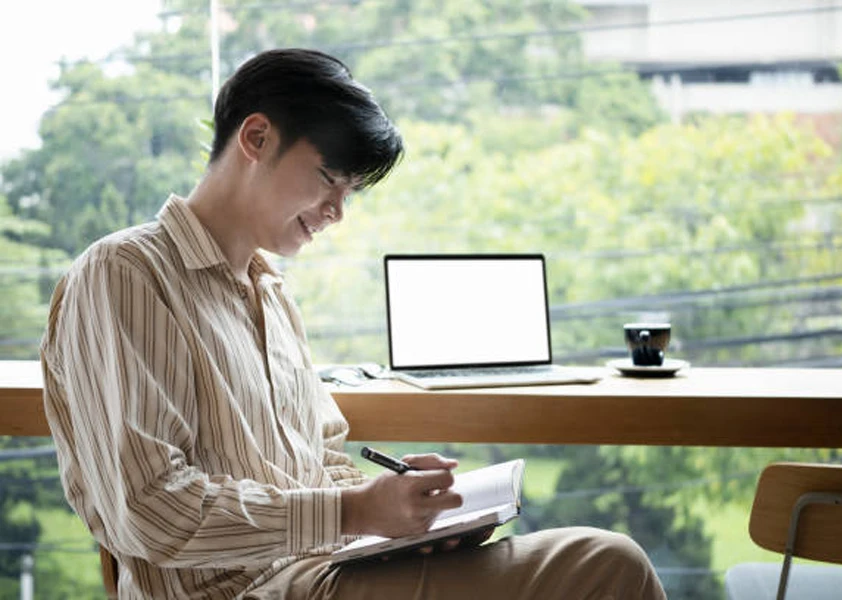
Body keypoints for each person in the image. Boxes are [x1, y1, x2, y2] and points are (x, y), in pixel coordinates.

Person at [40, 48, 667, 600]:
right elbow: (150, 510)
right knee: (606, 568)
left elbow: (321, 465)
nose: (338, 212)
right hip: (241, 593)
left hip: (324, 573)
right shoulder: (123, 273)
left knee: (602, 564)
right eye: (330, 179)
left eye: (351, 191)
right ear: (255, 139)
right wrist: (351, 510)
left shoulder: (270, 293)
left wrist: (406, 510)